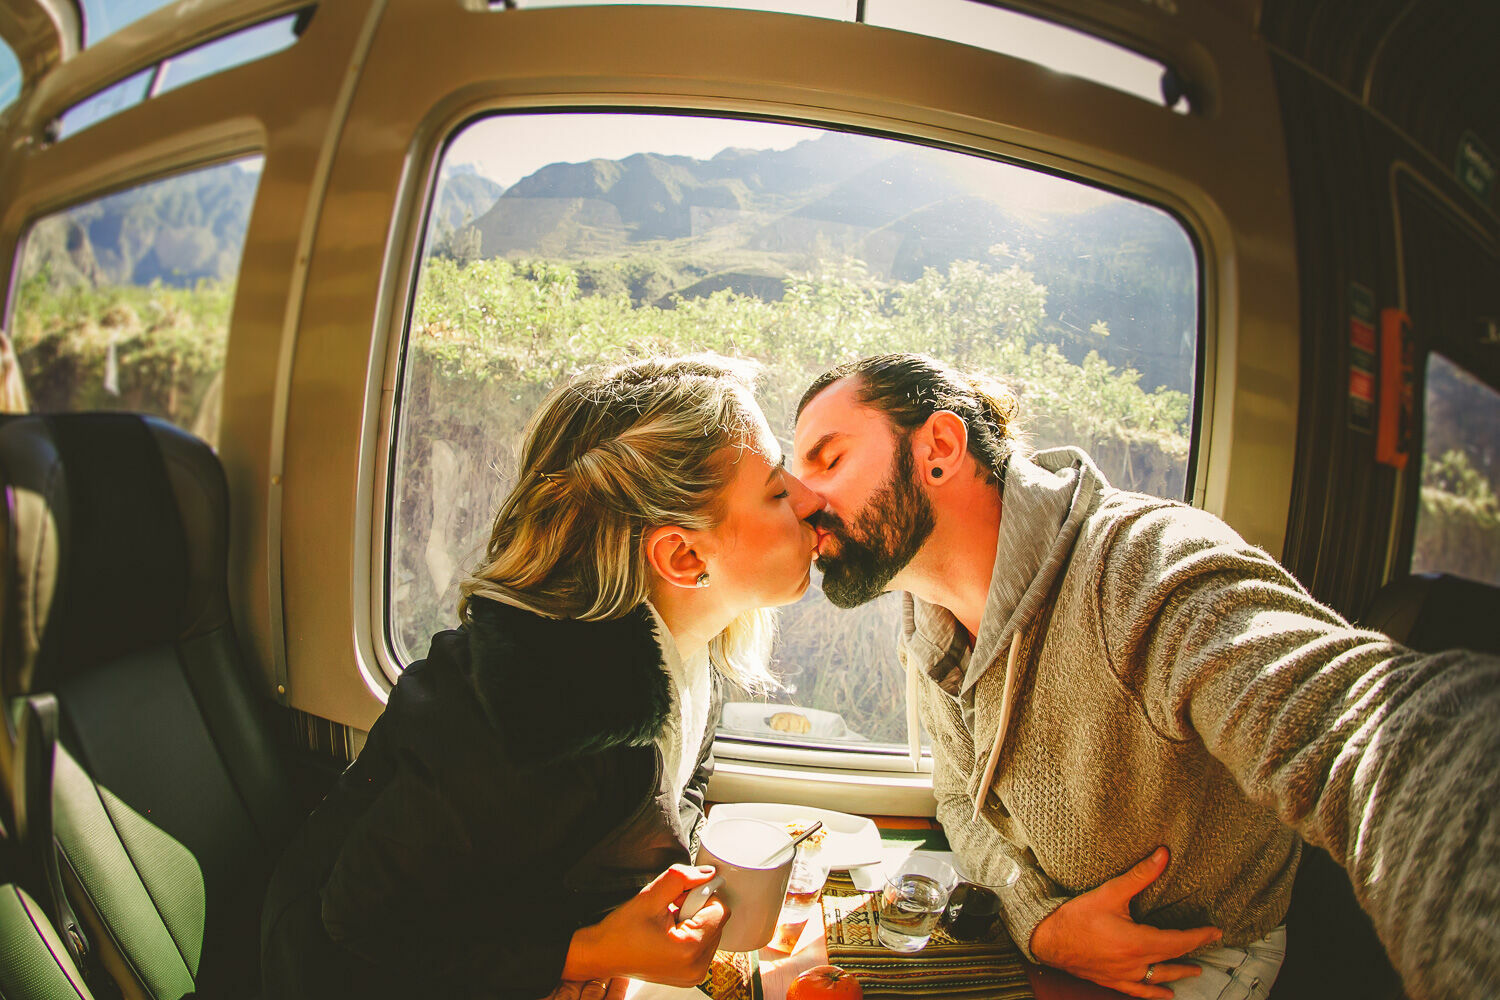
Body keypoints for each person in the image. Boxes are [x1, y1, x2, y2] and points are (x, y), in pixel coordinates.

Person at [791, 353, 1499, 1000]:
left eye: (828, 460)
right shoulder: (931, 621)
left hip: (1188, 965)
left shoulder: (1143, 566)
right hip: (1051, 940)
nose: (802, 501)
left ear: (939, 449)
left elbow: (1349, 725)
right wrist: (1041, 922)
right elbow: (956, 800)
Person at [262, 354, 823, 999]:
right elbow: (362, 925)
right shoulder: (541, 723)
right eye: (778, 490)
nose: (809, 500)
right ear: (683, 555)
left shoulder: (684, 655)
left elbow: (664, 804)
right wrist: (583, 952)